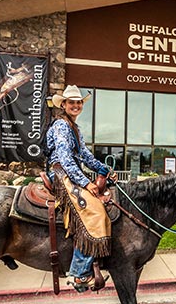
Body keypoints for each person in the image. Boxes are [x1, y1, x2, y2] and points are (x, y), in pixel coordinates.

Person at [45, 85, 116, 292]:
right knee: (93, 211)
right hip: (60, 172)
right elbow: (66, 159)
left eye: (78, 102)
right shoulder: (61, 125)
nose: (75, 105)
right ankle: (78, 274)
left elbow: (85, 155)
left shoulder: (74, 127)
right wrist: (86, 183)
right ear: (64, 104)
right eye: (71, 102)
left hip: (69, 170)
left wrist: (105, 169)